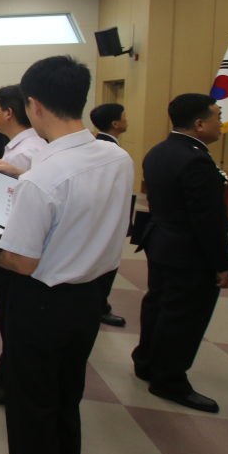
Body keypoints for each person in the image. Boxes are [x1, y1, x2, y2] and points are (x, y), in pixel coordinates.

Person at [0, 56, 134, 454]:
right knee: (66, 400)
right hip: (90, 298)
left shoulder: (42, 178)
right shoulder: (118, 158)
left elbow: (20, 261)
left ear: (33, 105)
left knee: (31, 410)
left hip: (43, 305)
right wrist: (19, 174)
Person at [132, 93, 228, 413]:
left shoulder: (159, 150)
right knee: (184, 317)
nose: (221, 124)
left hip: (161, 242)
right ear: (199, 124)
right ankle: (169, 379)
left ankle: (146, 362)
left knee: (158, 305)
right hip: (189, 252)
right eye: (218, 117)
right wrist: (222, 264)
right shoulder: (196, 160)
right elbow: (208, 220)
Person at [0, 84, 47, 405]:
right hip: (11, 238)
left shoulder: (26, 151)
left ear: (9, 113)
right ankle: (6, 366)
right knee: (8, 312)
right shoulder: (21, 147)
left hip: (15, 243)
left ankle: (11, 381)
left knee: (12, 314)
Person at [90, 102, 131, 327]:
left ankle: (98, 304)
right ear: (115, 123)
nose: (127, 120)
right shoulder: (111, 152)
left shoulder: (100, 146)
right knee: (104, 262)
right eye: (124, 117)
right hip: (105, 219)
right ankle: (99, 306)